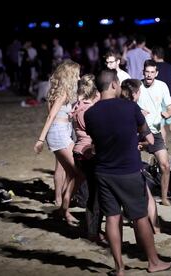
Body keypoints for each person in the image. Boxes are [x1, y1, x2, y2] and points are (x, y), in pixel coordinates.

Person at [84, 69, 171, 275]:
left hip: (104, 171)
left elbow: (95, 141)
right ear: (114, 84)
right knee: (140, 217)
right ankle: (153, 261)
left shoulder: (90, 114)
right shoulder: (130, 107)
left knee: (112, 218)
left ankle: (119, 267)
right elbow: (145, 133)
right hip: (129, 170)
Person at [34, 59, 83, 226]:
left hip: (62, 131)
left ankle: (63, 207)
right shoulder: (62, 93)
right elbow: (51, 116)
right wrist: (40, 139)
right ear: (70, 75)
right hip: (59, 134)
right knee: (79, 172)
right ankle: (64, 208)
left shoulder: (59, 92)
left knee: (73, 173)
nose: (79, 78)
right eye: (77, 75)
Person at [120, 78, 161, 233]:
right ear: (136, 93)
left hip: (114, 159)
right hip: (132, 159)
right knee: (146, 196)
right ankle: (156, 228)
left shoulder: (114, 106)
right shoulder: (135, 109)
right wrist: (141, 144)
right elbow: (150, 140)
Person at [71, 74, 103, 243]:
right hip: (87, 153)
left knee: (93, 193)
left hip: (80, 152)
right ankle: (93, 232)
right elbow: (95, 133)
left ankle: (94, 230)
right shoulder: (88, 110)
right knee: (96, 195)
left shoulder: (79, 105)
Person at [137, 59, 171, 206]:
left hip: (155, 132)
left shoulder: (162, 86)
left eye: (152, 72)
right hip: (138, 132)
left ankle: (164, 197)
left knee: (165, 165)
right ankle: (138, 197)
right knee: (133, 167)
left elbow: (170, 108)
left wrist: (166, 114)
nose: (149, 75)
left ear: (156, 73)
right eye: (147, 72)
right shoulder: (137, 86)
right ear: (143, 72)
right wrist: (138, 112)